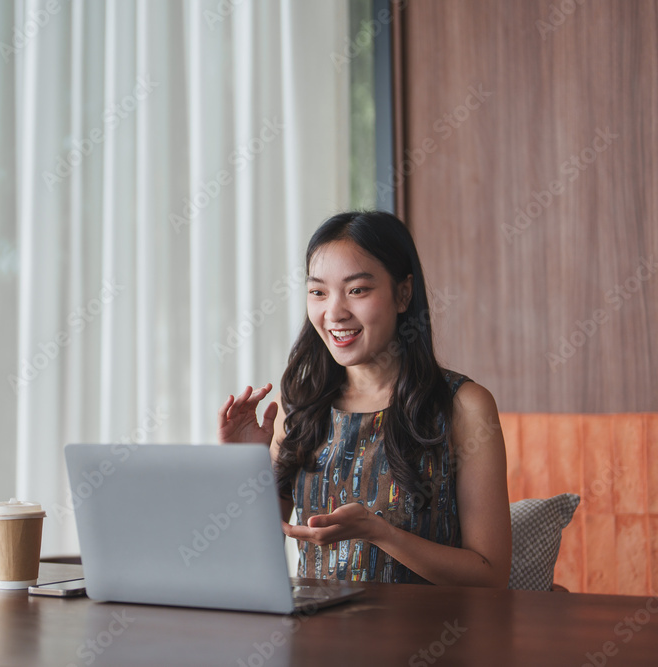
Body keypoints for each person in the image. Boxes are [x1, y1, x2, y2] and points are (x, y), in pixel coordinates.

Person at [216, 211, 511, 587]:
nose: (334, 312)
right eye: (318, 292)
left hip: (432, 640)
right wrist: (244, 466)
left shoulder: (464, 406)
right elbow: (248, 557)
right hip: (316, 638)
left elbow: (492, 575)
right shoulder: (301, 408)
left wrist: (379, 533)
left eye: (357, 290)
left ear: (403, 294)